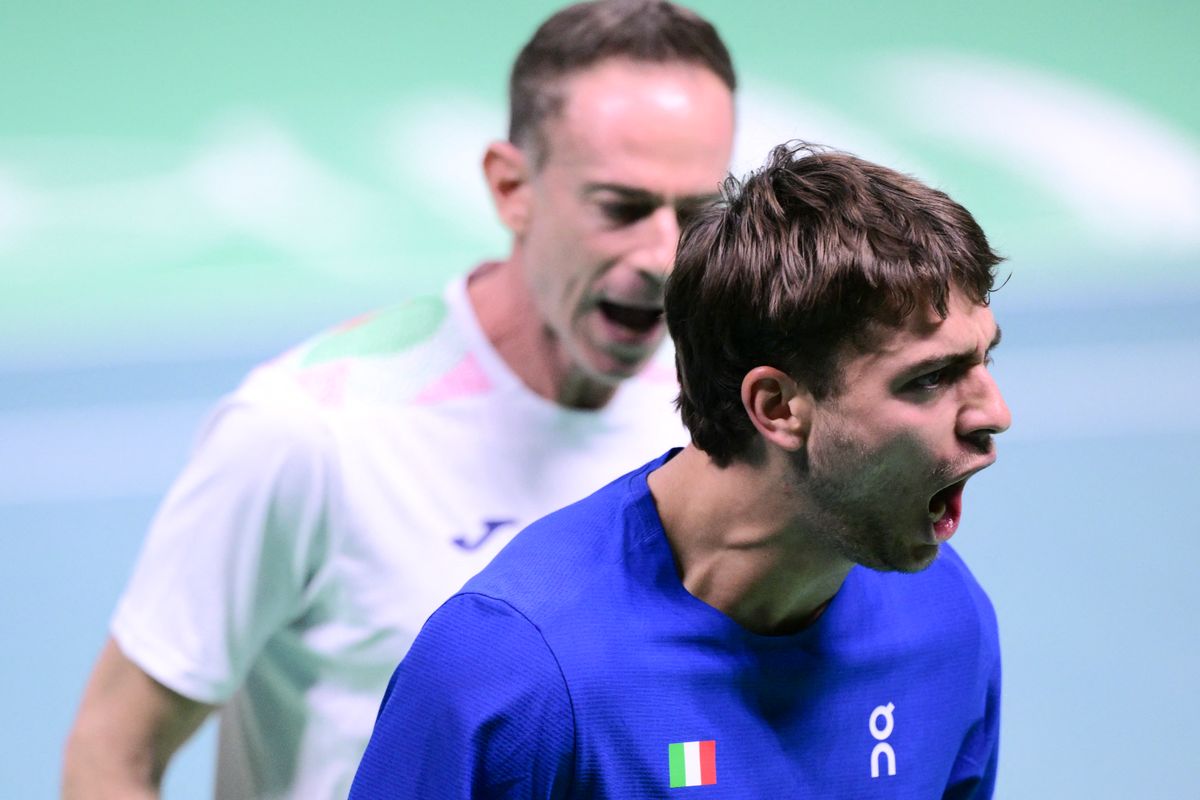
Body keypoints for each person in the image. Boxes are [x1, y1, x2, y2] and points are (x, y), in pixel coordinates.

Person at [61, 2, 736, 797]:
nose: (664, 257)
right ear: (511, 187)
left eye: (697, 215)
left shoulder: (721, 417)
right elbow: (112, 750)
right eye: (620, 208)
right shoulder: (309, 430)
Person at [349, 142, 1013, 799]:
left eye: (984, 359)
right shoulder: (516, 669)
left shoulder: (945, 621)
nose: (995, 413)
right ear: (778, 407)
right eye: (930, 379)